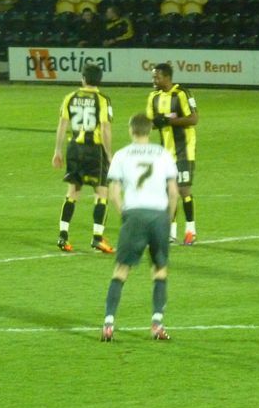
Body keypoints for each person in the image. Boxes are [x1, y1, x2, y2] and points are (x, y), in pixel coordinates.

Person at [100, 113, 179, 342]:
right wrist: (168, 217)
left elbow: (114, 193)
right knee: (159, 270)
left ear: (131, 130)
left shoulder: (121, 155)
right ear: (150, 130)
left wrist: (124, 213)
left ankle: (108, 323)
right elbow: (173, 192)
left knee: (121, 271)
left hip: (133, 214)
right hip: (158, 215)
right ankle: (156, 324)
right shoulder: (163, 154)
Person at [52, 63, 114, 254]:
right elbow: (104, 128)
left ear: (83, 78)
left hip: (74, 149)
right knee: (101, 193)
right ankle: (97, 238)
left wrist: (58, 151)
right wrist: (109, 154)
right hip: (94, 150)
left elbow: (62, 125)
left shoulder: (70, 98)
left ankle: (63, 236)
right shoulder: (103, 100)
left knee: (72, 192)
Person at [146, 62, 198, 245]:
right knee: (169, 191)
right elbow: (151, 123)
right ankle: (171, 232)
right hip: (165, 152)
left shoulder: (181, 93)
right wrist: (155, 122)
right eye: (153, 76)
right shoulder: (153, 97)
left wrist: (167, 120)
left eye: (157, 77)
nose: (154, 80)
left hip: (184, 149)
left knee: (184, 189)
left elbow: (193, 118)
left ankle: (191, 230)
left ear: (167, 77)